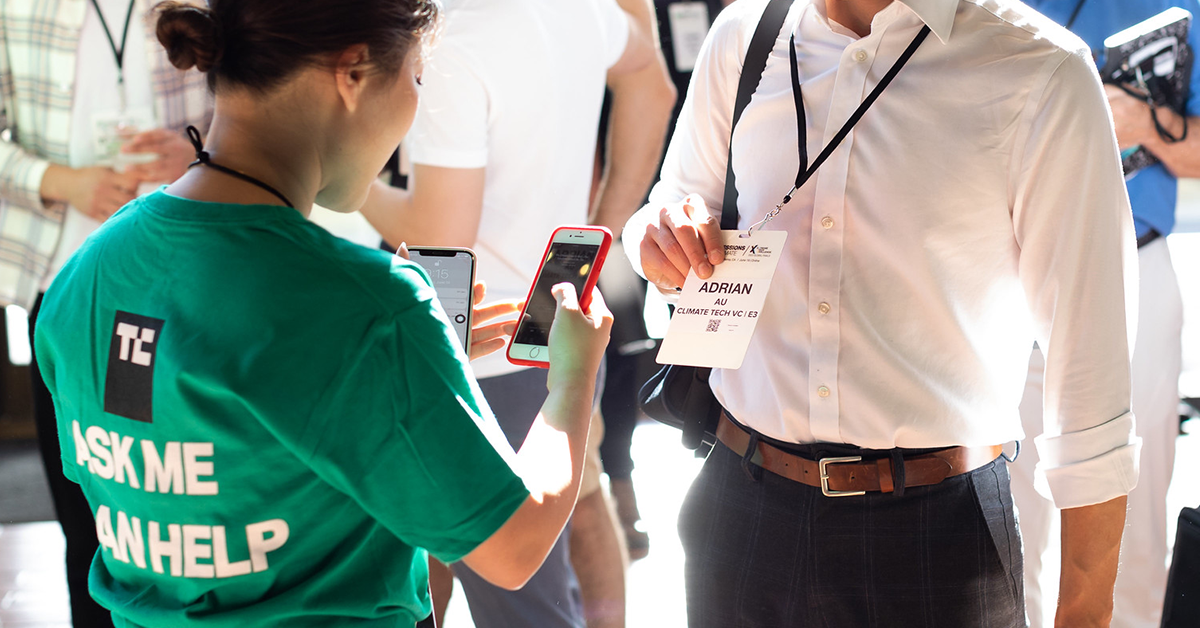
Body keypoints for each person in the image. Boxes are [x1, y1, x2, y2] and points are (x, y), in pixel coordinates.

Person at [32, 1, 613, 625]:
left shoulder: (85, 276)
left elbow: (205, 448)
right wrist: (572, 376)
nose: (415, 110)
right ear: (354, 72)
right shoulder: (369, 308)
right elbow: (515, 547)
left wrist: (413, 370)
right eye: (416, 78)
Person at [624, 0, 1140, 625]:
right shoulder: (744, 33)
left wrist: (1083, 612)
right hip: (740, 507)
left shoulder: (1039, 68)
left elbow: (1092, 370)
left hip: (936, 533)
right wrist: (657, 237)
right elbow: (675, 201)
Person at [358, 0, 672, 626]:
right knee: (577, 505)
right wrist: (595, 235)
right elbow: (651, 85)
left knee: (508, 584)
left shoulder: (448, 39)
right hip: (559, 309)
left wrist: (346, 182)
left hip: (477, 337)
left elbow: (438, 232)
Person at [1, 1, 211, 624]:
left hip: (186, 278)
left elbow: (255, 103)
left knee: (188, 504)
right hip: (66, 285)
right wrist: (65, 180)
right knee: (85, 508)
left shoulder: (198, 4)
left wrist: (194, 151)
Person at [1012, 2, 1200, 626]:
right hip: (1004, 273)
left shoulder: (1180, 9)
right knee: (1005, 512)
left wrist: (1142, 120)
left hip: (1137, 267)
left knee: (1137, 506)